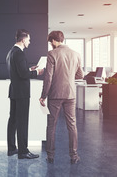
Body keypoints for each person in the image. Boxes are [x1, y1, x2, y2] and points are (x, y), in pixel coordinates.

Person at [39, 31, 84, 164]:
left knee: (51, 125)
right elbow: (80, 75)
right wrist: (68, 77)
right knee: (72, 125)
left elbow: (48, 77)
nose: (50, 45)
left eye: (50, 42)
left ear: (53, 41)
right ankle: (74, 156)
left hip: (55, 95)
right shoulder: (76, 54)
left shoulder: (52, 54)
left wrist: (43, 96)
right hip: (70, 94)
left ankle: (51, 155)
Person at [6, 29, 43, 159]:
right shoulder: (20, 53)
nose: (29, 42)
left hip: (14, 91)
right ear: (23, 39)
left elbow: (19, 71)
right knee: (22, 121)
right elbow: (23, 75)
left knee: (13, 120)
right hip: (22, 93)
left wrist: (29, 69)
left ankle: (11, 148)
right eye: (28, 39)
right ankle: (23, 151)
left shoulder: (11, 52)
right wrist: (37, 72)